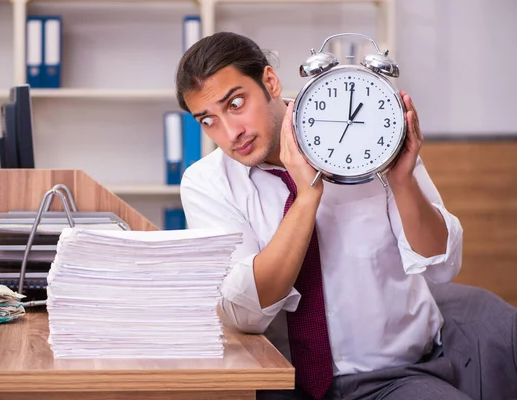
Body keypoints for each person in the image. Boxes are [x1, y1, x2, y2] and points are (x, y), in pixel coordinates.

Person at [174, 31, 503, 400]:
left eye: (235, 104)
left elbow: (443, 267)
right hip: (282, 384)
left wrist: (402, 180)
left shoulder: (373, 135)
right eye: (208, 121)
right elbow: (245, 314)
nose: (230, 132)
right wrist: (306, 198)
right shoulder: (206, 182)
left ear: (269, 81)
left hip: (395, 376)